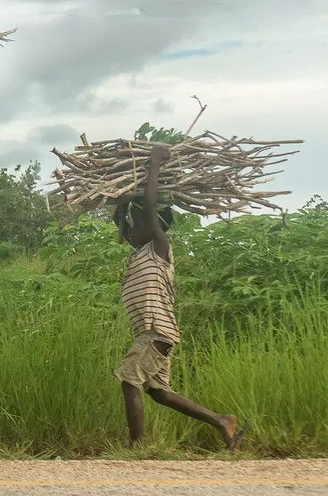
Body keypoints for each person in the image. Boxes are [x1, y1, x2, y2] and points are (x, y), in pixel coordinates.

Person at [112, 145, 248, 451]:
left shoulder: (159, 247)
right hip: (156, 332)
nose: (129, 231)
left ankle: (137, 446)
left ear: (153, 225)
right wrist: (122, 202)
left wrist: (155, 163)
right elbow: (120, 222)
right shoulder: (138, 252)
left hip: (156, 331)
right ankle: (222, 421)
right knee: (159, 392)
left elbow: (149, 205)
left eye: (136, 225)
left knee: (129, 380)